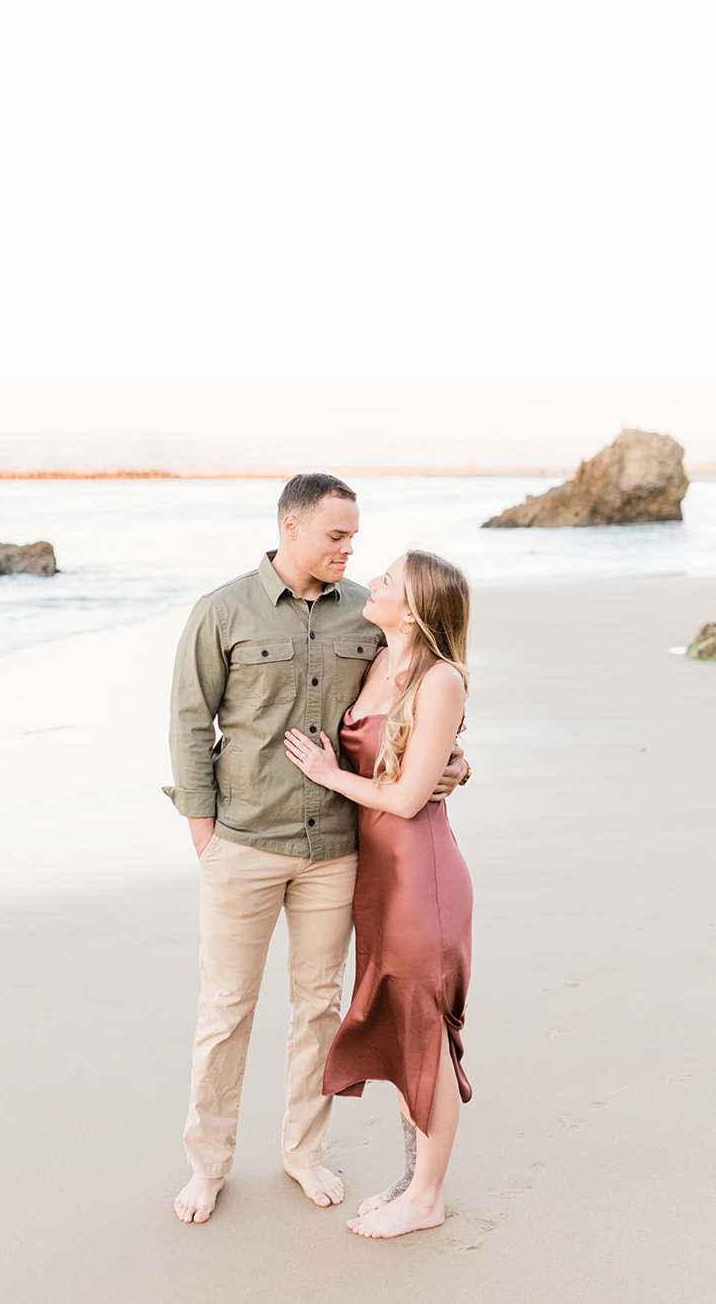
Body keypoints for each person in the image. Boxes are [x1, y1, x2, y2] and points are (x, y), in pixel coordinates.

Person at [164, 475, 467, 1224]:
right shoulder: (221, 611)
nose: (349, 549)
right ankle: (207, 1166)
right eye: (335, 535)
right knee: (225, 1011)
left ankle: (302, 1152)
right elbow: (187, 723)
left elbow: (415, 701)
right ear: (290, 528)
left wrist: (454, 765)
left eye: (354, 536)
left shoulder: (367, 615)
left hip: (336, 849)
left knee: (318, 1008)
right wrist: (204, 832)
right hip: (243, 844)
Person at [284, 548, 473, 1239]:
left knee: (429, 1040)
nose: (374, 582)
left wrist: (327, 776)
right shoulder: (375, 658)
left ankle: (427, 1197)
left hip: (421, 879)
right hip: (379, 879)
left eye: (389, 580)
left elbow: (405, 796)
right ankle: (409, 1180)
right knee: (401, 1034)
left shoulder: (439, 679)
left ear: (416, 607)